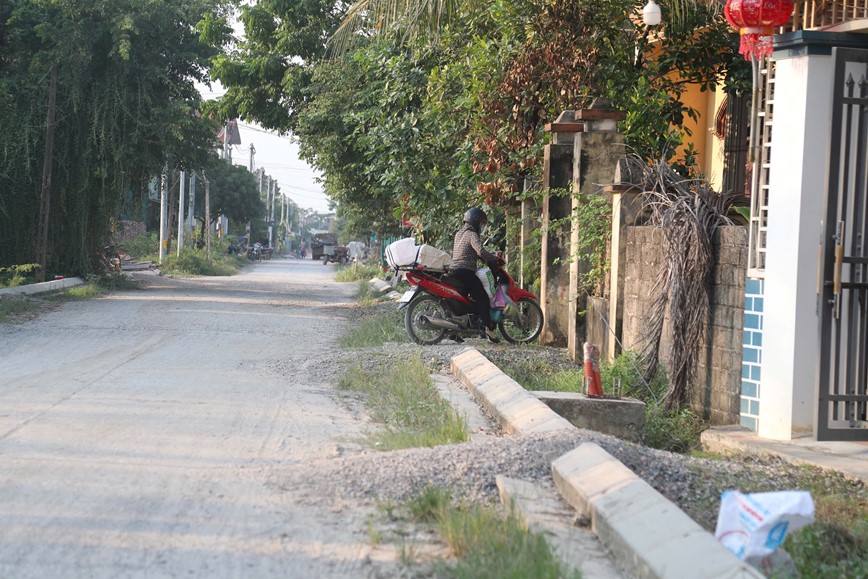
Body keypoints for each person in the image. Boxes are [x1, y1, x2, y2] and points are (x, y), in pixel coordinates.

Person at [451, 207, 501, 342]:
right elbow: (480, 250)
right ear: (476, 221)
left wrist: (483, 258)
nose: (481, 227)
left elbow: (467, 252)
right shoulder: (472, 234)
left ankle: (458, 332)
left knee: (467, 301)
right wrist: (494, 259)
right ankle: (490, 329)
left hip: (454, 271)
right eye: (481, 224)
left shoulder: (459, 234)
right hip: (465, 272)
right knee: (483, 297)